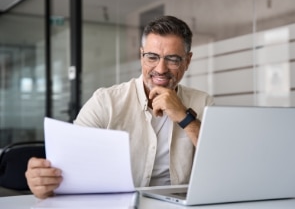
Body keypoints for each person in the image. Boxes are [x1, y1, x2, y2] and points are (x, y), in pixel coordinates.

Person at [25, 15, 214, 199]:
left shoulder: (203, 103)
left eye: (172, 59)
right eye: (152, 57)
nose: (161, 69)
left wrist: (184, 116)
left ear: (187, 61)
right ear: (141, 56)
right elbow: (69, 165)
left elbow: (225, 164)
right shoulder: (105, 102)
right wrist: (44, 182)